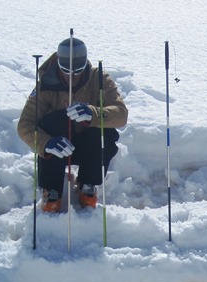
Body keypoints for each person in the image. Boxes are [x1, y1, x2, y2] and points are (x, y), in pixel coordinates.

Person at [17, 37, 128, 213]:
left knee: (105, 133)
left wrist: (94, 114)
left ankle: (87, 184)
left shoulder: (100, 79)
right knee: (53, 121)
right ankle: (52, 190)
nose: (72, 76)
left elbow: (121, 114)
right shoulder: (45, 85)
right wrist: (46, 143)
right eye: (66, 71)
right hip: (59, 146)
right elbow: (25, 125)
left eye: (77, 70)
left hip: (88, 146)